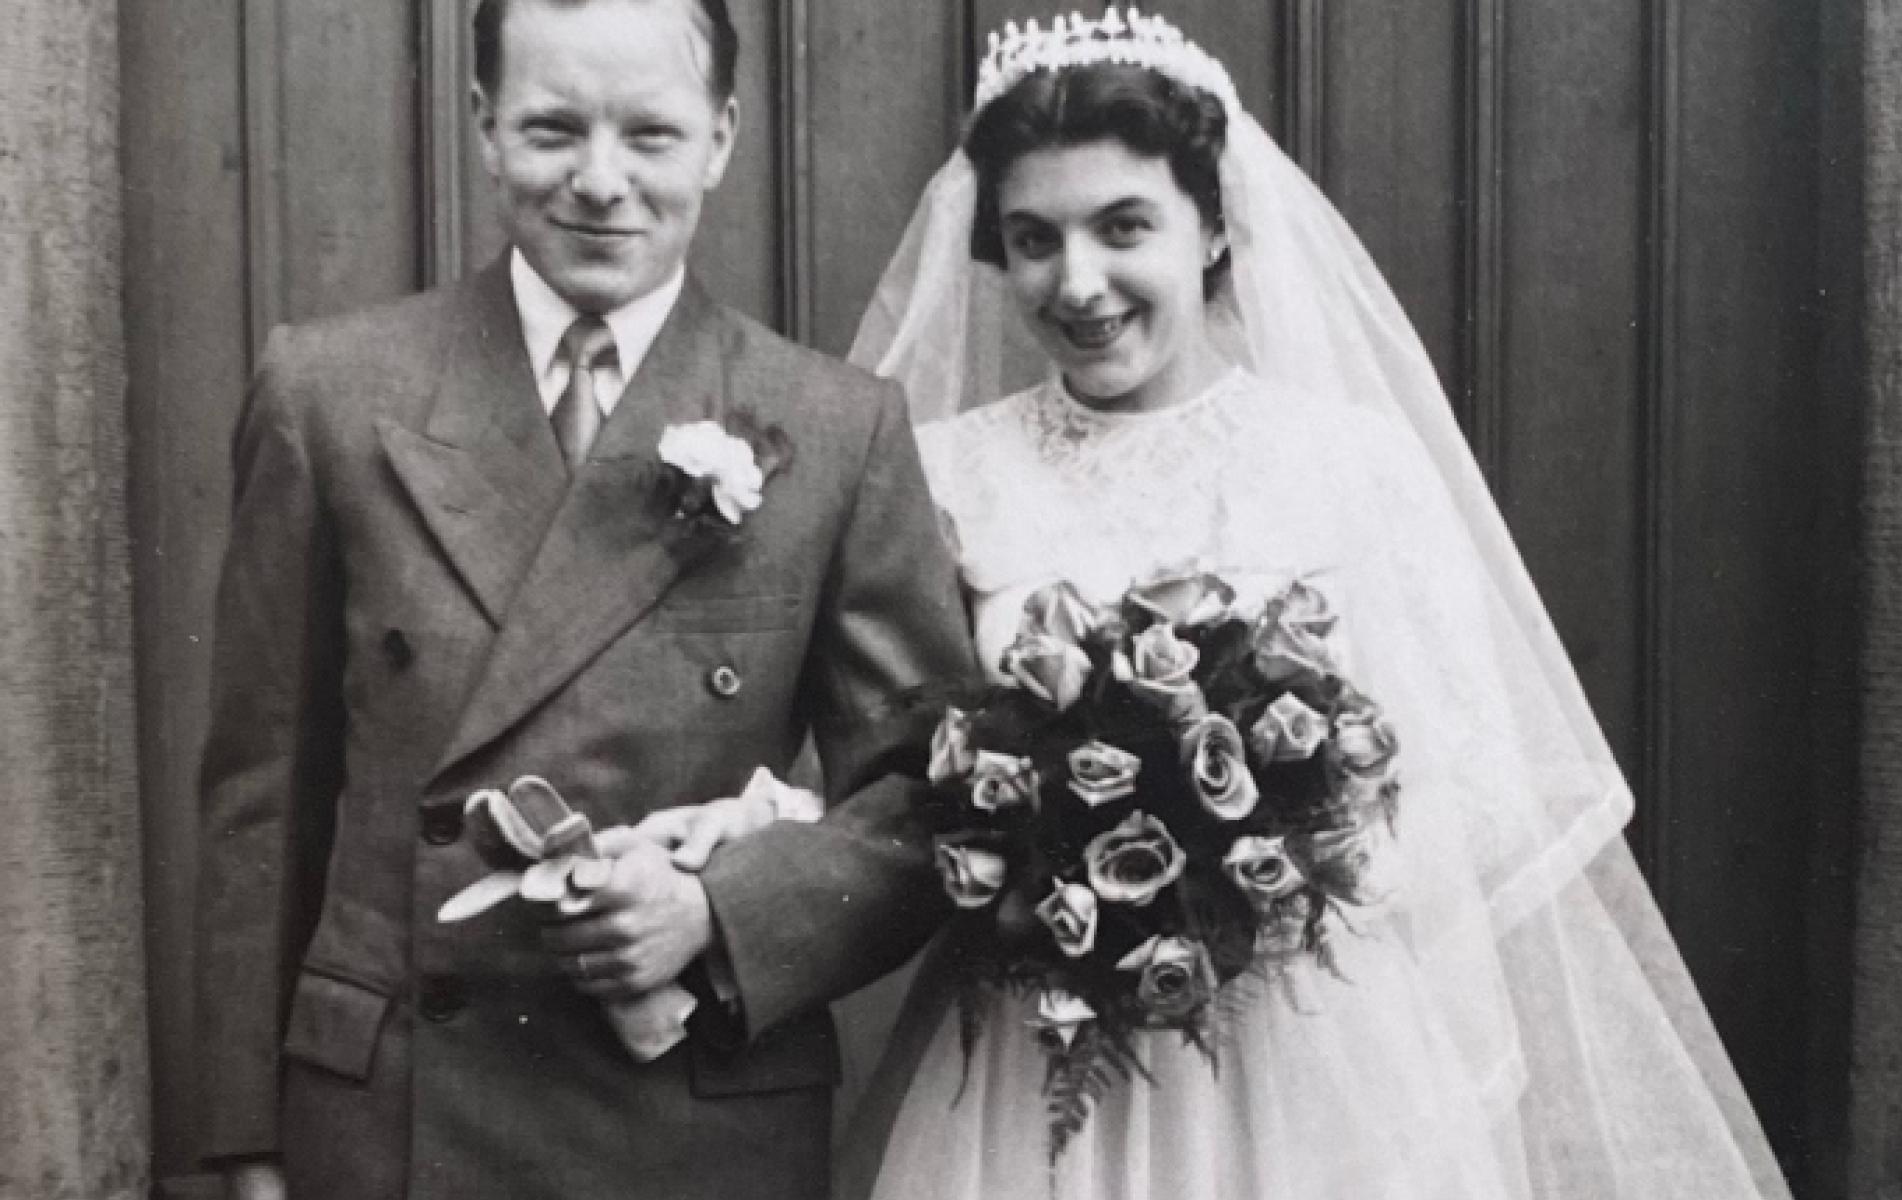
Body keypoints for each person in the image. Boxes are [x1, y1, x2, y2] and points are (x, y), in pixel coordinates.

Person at [822, 9, 1790, 1197]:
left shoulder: (1349, 461)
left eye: (1124, 227)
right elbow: (901, 777)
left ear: (1216, 224)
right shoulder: (948, 472)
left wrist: (1266, 859)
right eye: (1033, 239)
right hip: (1047, 1050)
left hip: (1312, 1052)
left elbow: (1466, 788)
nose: (1077, 283)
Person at [188, 0, 976, 1197]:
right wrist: (241, 1141)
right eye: (554, 129)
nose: (600, 182)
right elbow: (262, 797)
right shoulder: (331, 393)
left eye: (650, 136)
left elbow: (931, 799)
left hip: (691, 1113)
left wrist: (720, 912)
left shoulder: (832, 427)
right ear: (485, 127)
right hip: (396, 1118)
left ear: (718, 139)